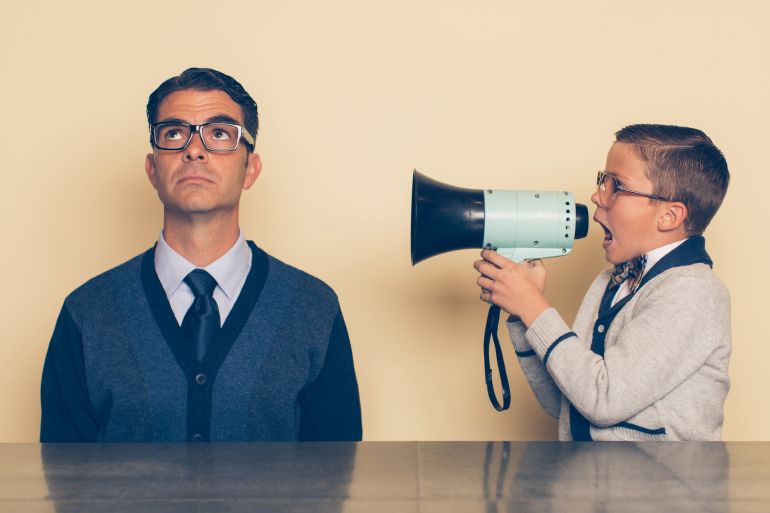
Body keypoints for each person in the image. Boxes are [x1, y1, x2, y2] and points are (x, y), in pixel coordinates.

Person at [40, 68, 362, 442]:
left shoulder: (312, 308)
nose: (194, 150)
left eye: (220, 134)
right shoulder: (87, 312)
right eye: (174, 133)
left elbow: (336, 481)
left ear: (250, 169)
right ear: (152, 169)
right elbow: (64, 486)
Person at [474, 124, 730, 441]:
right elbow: (564, 403)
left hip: (660, 488)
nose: (597, 196)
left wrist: (534, 308)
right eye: (602, 181)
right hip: (595, 483)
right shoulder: (612, 280)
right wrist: (522, 314)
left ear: (669, 216)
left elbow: (604, 400)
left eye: (617, 186)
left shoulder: (692, 292)